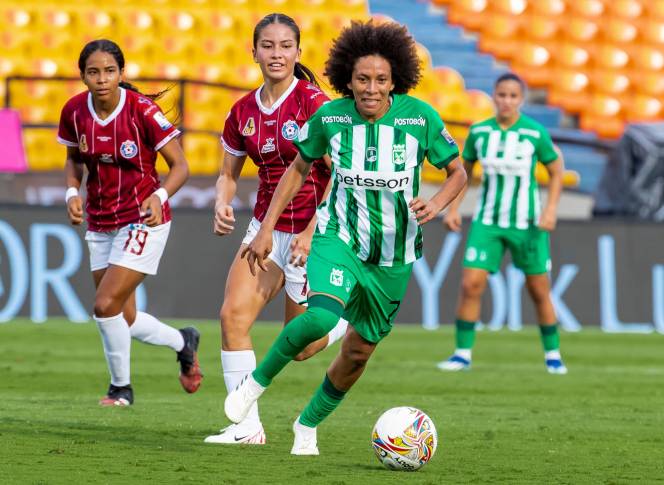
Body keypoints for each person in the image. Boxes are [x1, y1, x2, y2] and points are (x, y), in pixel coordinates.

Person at [224, 20, 467, 455]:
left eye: (380, 80)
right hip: (339, 236)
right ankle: (254, 386)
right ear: (346, 80)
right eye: (361, 79)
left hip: (393, 255)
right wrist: (264, 228)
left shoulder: (420, 118)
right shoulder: (331, 117)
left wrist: (439, 202)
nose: (370, 88)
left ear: (396, 81)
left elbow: (458, 171)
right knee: (317, 318)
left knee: (359, 352)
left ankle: (307, 424)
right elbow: (299, 168)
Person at [204, 13, 348, 445]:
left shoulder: (316, 105)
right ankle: (247, 428)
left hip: (313, 231)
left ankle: (345, 321)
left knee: (303, 349)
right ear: (254, 52)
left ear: (298, 52)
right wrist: (222, 201)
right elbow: (228, 172)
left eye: (286, 46)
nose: (276, 54)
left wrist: (310, 231)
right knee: (232, 316)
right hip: (265, 230)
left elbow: (339, 174)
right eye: (268, 46)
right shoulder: (242, 111)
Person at [58, 39, 202, 407]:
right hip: (101, 220)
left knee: (105, 305)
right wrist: (72, 193)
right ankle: (183, 342)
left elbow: (181, 166)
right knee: (125, 315)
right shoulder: (75, 111)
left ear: (121, 73)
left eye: (109, 71)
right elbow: (74, 159)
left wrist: (160, 196)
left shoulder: (142, 111)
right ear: (83, 76)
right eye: (93, 72)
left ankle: (120, 389)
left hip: (143, 218)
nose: (102, 79)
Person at [436, 72, 568, 375]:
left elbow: (557, 169)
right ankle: (461, 354)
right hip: (488, 223)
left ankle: (553, 355)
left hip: (528, 224)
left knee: (539, 290)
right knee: (471, 285)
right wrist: (454, 209)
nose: (506, 101)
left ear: (520, 99)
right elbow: (462, 172)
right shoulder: (480, 133)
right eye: (501, 95)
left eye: (512, 96)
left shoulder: (534, 133)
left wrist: (551, 209)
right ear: (494, 97)